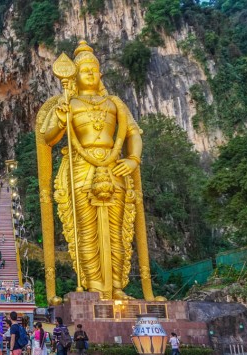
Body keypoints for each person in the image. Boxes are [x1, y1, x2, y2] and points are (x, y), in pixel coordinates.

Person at [37, 40, 156, 300]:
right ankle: (94, 286)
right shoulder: (69, 103)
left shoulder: (115, 103)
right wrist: (60, 116)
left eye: (94, 69)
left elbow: (133, 133)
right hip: (81, 167)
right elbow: (47, 137)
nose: (90, 73)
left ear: (100, 74)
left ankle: (116, 286)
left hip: (115, 167)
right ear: (75, 75)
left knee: (116, 229)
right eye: (84, 70)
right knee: (86, 229)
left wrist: (133, 159)